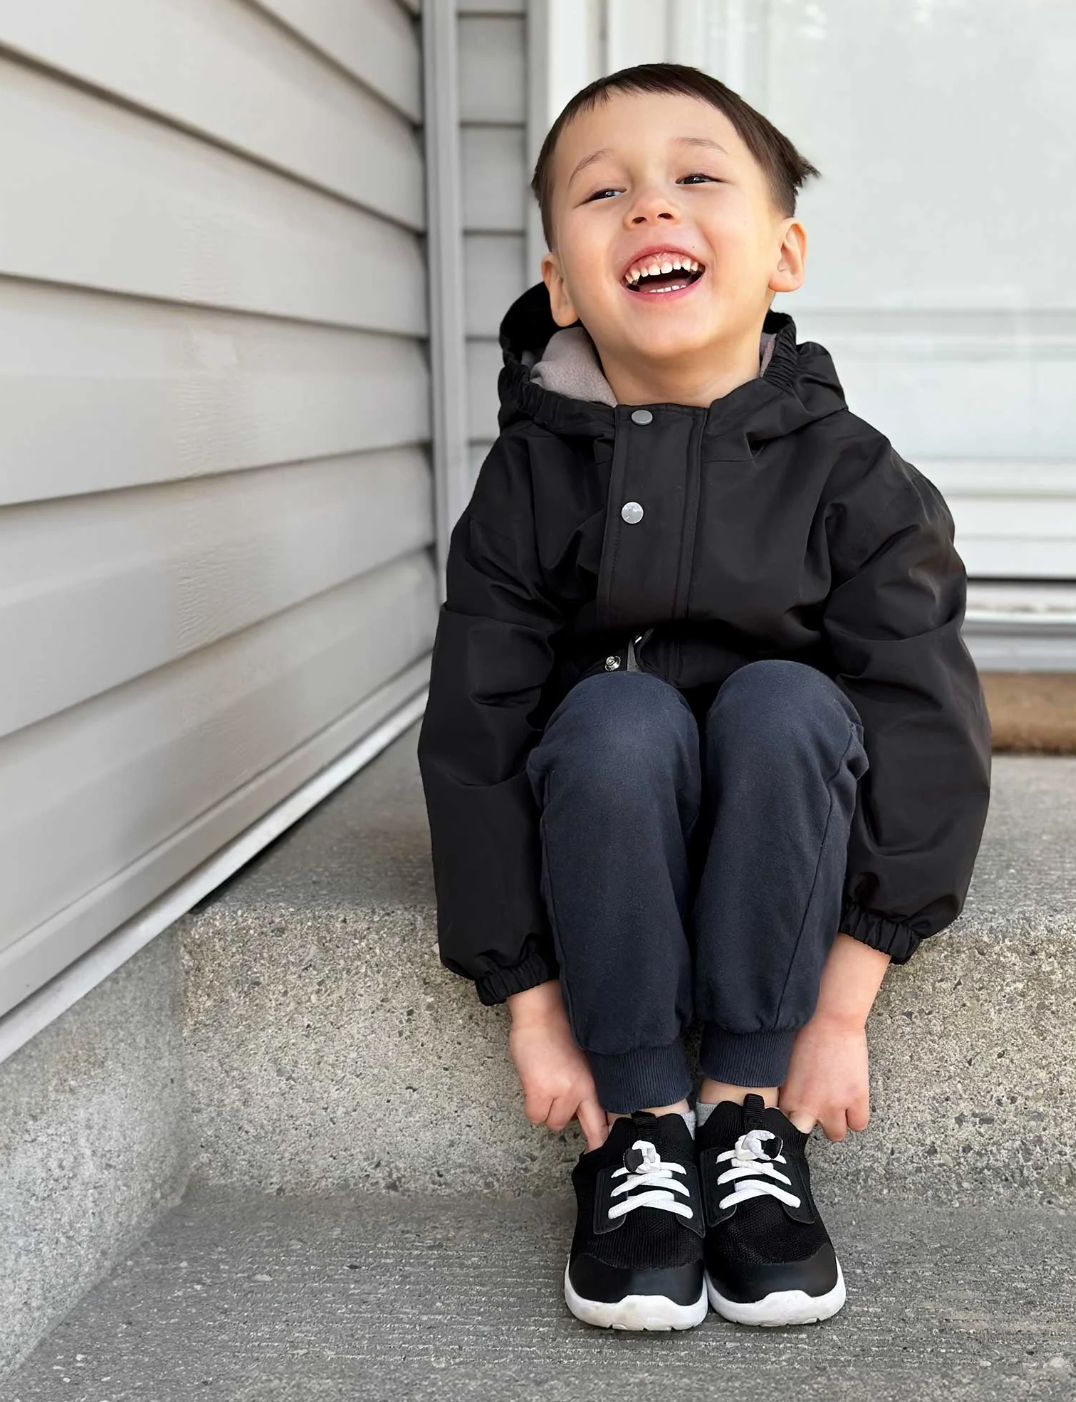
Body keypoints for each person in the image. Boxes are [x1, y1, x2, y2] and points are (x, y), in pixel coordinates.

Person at [417, 62, 992, 1331]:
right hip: (606, 809)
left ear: (783, 253)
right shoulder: (525, 483)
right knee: (614, 715)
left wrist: (840, 1009)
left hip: (782, 812)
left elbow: (922, 726)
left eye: (693, 178)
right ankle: (639, 1130)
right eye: (603, 191)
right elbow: (474, 732)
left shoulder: (856, 480)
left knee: (788, 701)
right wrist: (529, 1008)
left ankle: (741, 1110)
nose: (647, 208)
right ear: (561, 283)